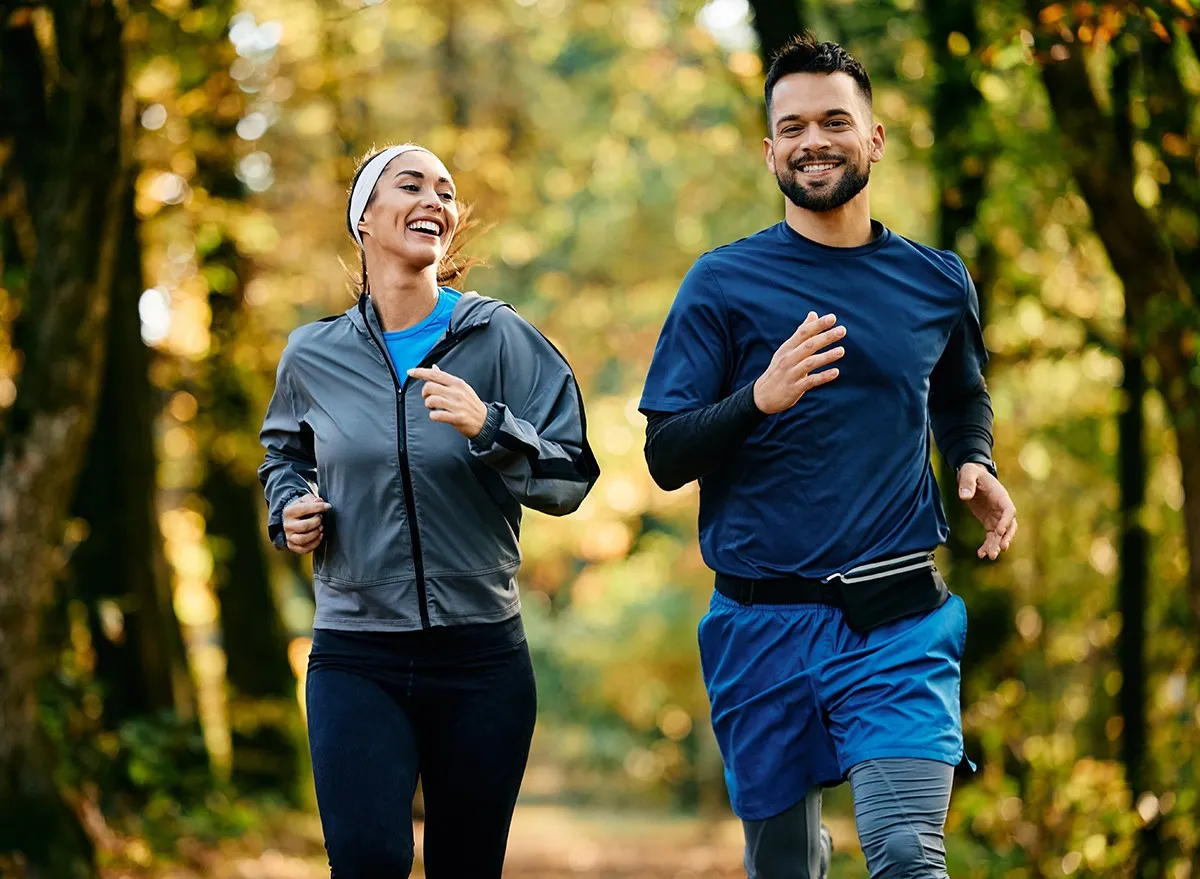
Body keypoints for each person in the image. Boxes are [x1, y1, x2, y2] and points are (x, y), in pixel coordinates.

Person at [640, 34, 1017, 879]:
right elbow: (665, 454)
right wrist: (758, 397)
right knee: (784, 868)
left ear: (874, 138)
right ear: (769, 148)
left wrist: (972, 462)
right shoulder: (722, 283)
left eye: (835, 121)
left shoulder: (937, 280)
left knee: (905, 852)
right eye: (794, 125)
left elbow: (959, 393)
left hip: (896, 617)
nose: (815, 140)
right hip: (758, 623)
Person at [258, 143, 599, 878]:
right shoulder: (312, 354)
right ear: (365, 222)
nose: (435, 201)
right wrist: (290, 507)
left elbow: (572, 473)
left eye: (445, 191)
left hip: (481, 657)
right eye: (410, 185)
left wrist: (493, 427)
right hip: (356, 654)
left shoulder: (499, 336)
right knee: (369, 857)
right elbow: (282, 456)